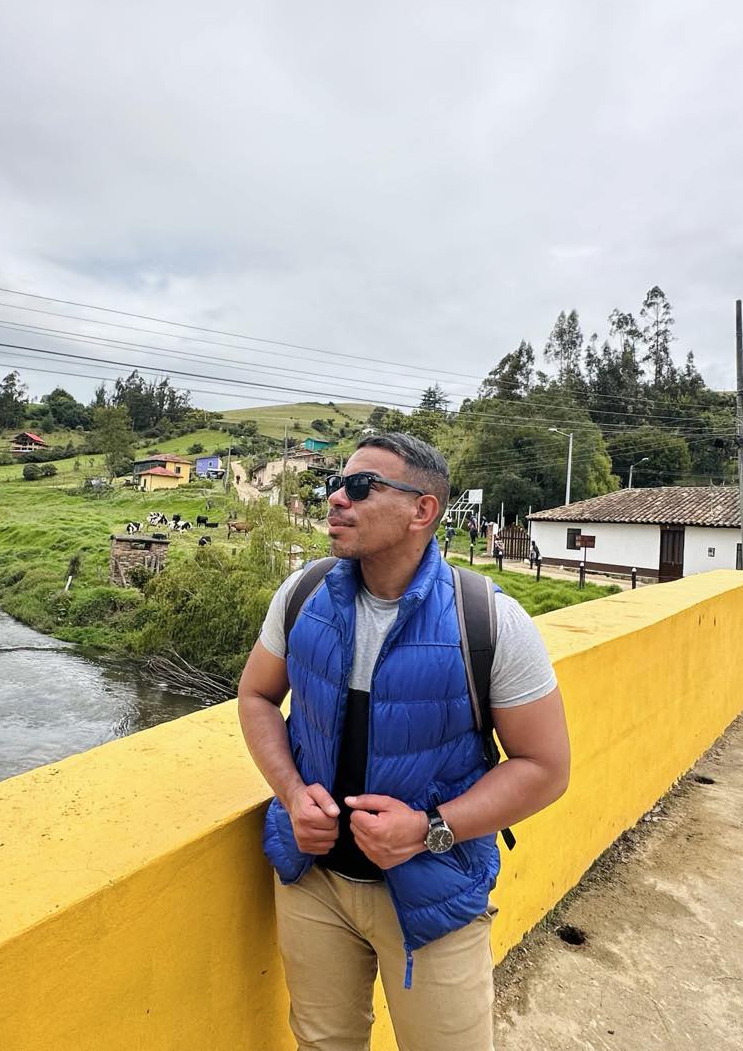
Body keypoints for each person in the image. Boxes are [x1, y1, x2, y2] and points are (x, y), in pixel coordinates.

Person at [237, 433, 570, 1051]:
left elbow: (545, 767)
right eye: (337, 483)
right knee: (321, 1042)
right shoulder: (303, 596)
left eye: (362, 486)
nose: (337, 498)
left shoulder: (488, 621)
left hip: (434, 891)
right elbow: (256, 696)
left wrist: (428, 829)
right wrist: (289, 793)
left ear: (422, 511)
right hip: (313, 882)